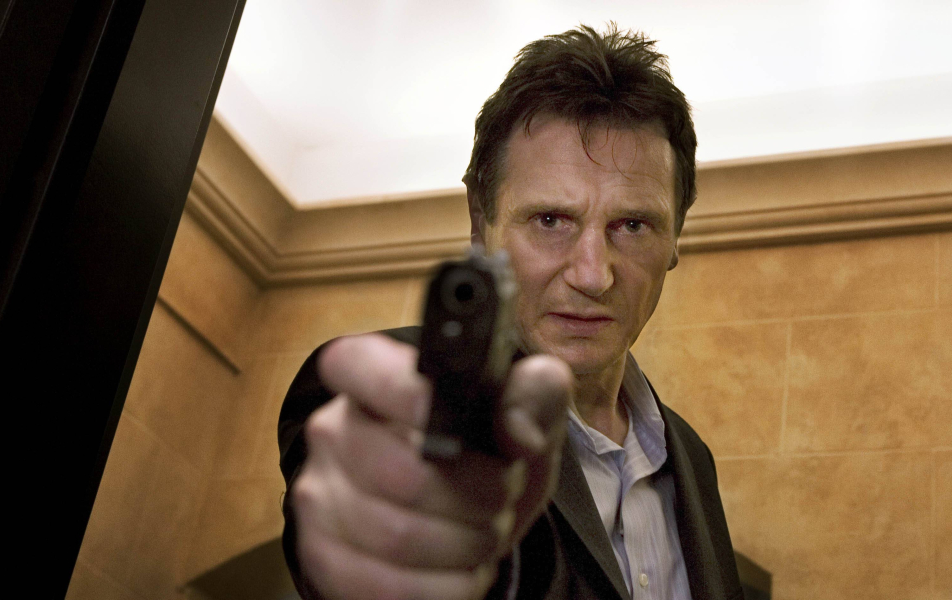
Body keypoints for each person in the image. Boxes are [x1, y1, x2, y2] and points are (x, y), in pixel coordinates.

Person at [276, 24, 741, 600]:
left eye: (633, 225)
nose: (593, 275)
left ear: (675, 239)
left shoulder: (690, 457)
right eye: (550, 220)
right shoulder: (398, 394)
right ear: (481, 224)